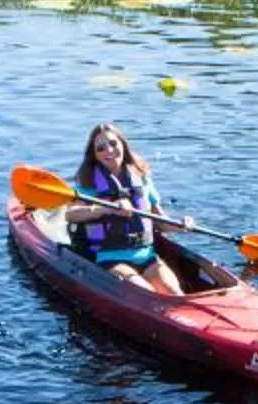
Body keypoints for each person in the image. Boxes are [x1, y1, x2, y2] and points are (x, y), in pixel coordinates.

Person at [63, 122, 185, 296]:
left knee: (176, 294)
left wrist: (180, 225)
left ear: (123, 145)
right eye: (101, 148)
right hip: (110, 259)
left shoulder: (141, 179)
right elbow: (70, 215)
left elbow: (161, 223)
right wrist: (106, 209)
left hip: (147, 257)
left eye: (113, 144)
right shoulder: (89, 183)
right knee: (148, 296)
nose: (109, 151)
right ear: (95, 155)